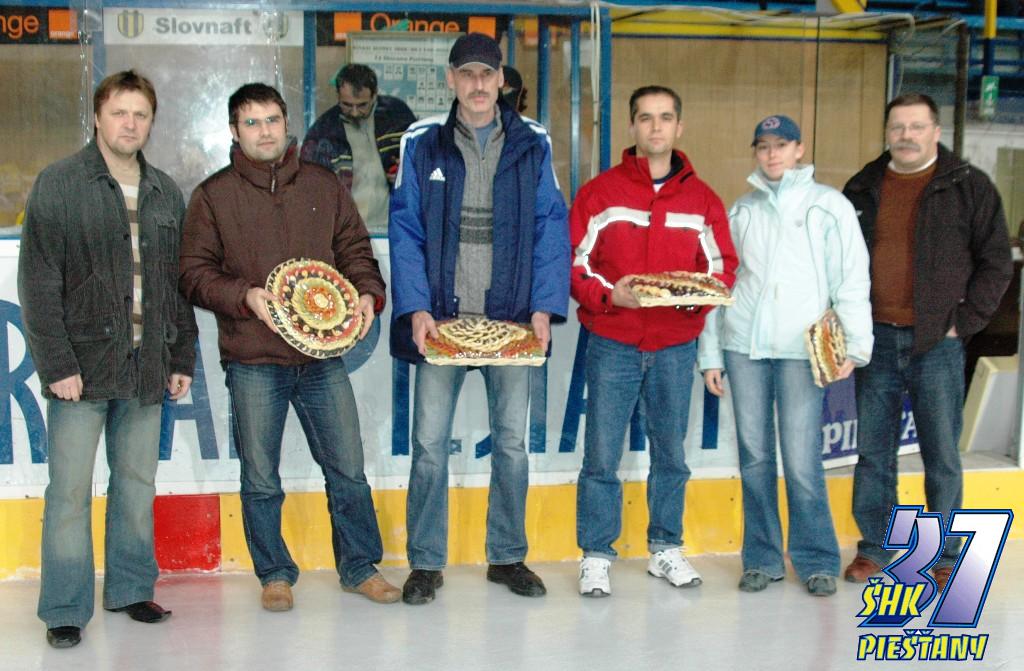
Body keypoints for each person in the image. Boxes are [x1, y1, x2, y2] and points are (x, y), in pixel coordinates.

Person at [179, 83, 399, 611]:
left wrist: (367, 292)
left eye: (272, 120)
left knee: (348, 468)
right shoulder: (212, 196)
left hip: (322, 359)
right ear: (234, 131)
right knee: (260, 477)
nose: (264, 131)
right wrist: (244, 296)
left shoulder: (324, 184)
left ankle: (360, 566)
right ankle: (274, 574)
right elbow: (193, 274)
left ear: (286, 124)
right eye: (251, 122)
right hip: (253, 358)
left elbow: (355, 250)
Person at [389, 33, 570, 605]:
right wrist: (416, 306)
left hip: (511, 322)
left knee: (512, 444)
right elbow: (405, 227)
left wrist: (543, 306)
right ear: (450, 79)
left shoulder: (533, 142)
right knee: (428, 445)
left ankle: (508, 556)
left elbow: (550, 226)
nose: (477, 84)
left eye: (486, 74)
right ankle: (425, 563)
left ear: (501, 79)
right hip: (441, 323)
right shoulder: (423, 141)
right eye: (466, 74)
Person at [18, 70, 197, 648]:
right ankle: (65, 608)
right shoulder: (59, 184)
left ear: (151, 122)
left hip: (147, 367)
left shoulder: (165, 192)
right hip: (81, 368)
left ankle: (130, 588)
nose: (129, 123)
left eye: (140, 114)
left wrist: (181, 357)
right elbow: (38, 283)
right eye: (119, 112)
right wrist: (56, 364)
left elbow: (176, 286)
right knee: (69, 492)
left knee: (137, 483)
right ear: (97, 117)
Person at [570, 85, 738, 598]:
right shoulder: (600, 194)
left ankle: (665, 547)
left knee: (670, 454)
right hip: (613, 343)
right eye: (646, 117)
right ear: (632, 127)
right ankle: (596, 555)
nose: (656, 126)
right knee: (601, 455)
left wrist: (689, 303)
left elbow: (722, 269)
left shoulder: (703, 200)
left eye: (666, 117)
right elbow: (575, 264)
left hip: (673, 347)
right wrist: (610, 297)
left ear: (679, 127)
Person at [841, 93, 1012, 591]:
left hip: (937, 343)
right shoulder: (862, 187)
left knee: (941, 455)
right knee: (874, 454)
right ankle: (875, 548)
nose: (907, 136)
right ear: (887, 132)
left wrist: (965, 321)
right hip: (874, 340)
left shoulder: (969, 186)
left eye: (917, 126)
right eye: (898, 127)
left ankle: (945, 554)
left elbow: (997, 262)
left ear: (935, 131)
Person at [699, 114, 873, 597]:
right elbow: (720, 285)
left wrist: (856, 343)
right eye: (763, 146)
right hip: (744, 349)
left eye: (781, 144)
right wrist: (711, 353)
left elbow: (851, 277)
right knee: (754, 458)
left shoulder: (828, 207)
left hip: (802, 352)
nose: (772, 153)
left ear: (799, 149)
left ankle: (816, 559)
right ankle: (762, 558)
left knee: (800, 460)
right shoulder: (742, 211)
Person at [301, 63, 416, 234]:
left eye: (362, 105)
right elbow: (311, 187)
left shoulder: (398, 116)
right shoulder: (323, 132)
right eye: (347, 105)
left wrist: (405, 172)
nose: (354, 112)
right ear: (337, 96)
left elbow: (420, 161)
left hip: (393, 227)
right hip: (346, 230)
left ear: (375, 95)